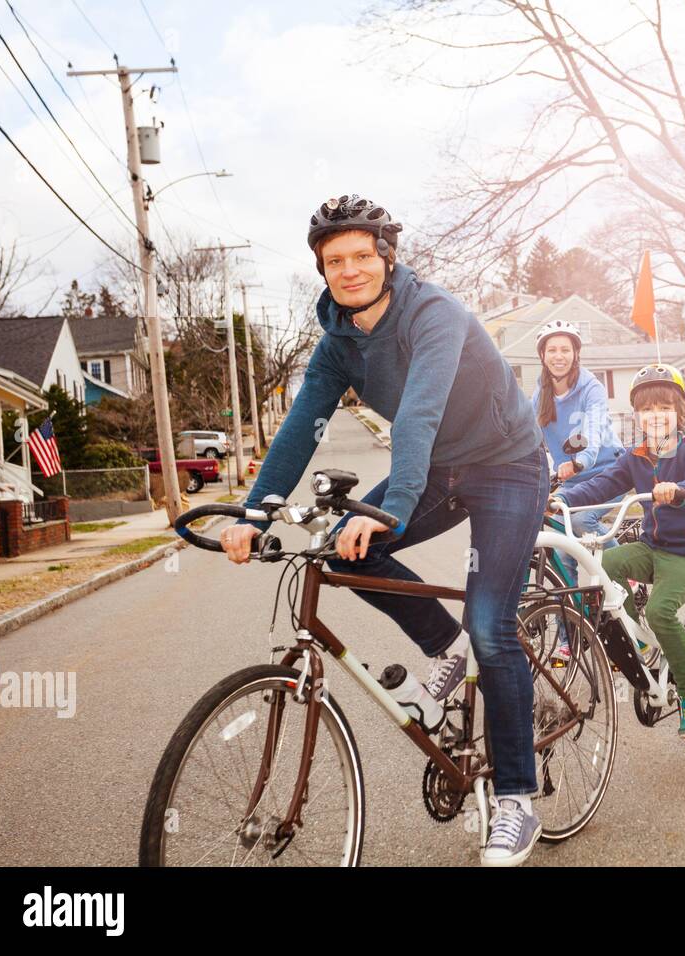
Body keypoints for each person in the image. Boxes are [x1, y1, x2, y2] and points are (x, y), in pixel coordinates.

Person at [218, 194, 548, 867]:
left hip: (507, 465)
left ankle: (517, 798)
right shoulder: (339, 343)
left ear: (386, 256)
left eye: (361, 255)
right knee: (344, 553)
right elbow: (300, 427)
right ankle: (444, 645)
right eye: (333, 260)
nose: (348, 269)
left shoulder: (435, 313)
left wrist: (390, 507)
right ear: (323, 269)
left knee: (493, 627)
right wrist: (254, 512)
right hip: (439, 469)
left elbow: (419, 415)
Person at [547, 364, 685, 739]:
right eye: (646, 410)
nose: (654, 416)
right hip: (651, 548)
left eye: (663, 408)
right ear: (637, 416)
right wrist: (562, 498)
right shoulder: (635, 457)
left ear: (680, 412)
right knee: (603, 564)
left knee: (660, 611)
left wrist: (680, 489)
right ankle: (637, 639)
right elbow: (603, 485)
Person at [529, 319, 626, 659]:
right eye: (552, 349)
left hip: (608, 472)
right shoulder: (539, 395)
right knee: (560, 553)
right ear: (542, 355)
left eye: (565, 349)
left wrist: (580, 460)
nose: (559, 356)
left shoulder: (590, 388)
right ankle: (568, 638)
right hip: (569, 483)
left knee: (584, 524)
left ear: (575, 353)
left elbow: (595, 429)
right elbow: (524, 439)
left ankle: (625, 572)